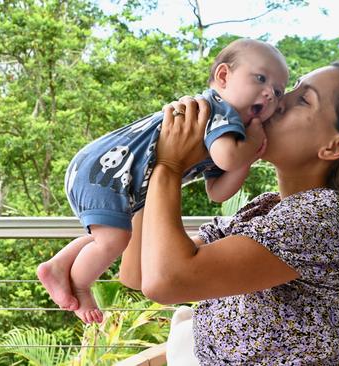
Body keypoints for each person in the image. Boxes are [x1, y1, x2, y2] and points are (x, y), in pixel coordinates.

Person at [119, 61, 339, 364]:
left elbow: (165, 281)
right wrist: (156, 161)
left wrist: (170, 165)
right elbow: (137, 272)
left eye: (303, 100)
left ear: (335, 146)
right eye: (292, 88)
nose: (277, 100)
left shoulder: (327, 219)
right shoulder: (267, 209)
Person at [37, 39, 288, 324]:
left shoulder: (226, 133)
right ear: (223, 76)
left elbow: (218, 192)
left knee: (110, 235)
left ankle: (58, 265)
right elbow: (228, 158)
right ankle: (80, 285)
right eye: (260, 79)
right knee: (114, 239)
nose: (270, 94)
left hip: (101, 171)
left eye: (278, 92)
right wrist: (252, 143)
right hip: (110, 170)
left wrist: (247, 158)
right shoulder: (219, 110)